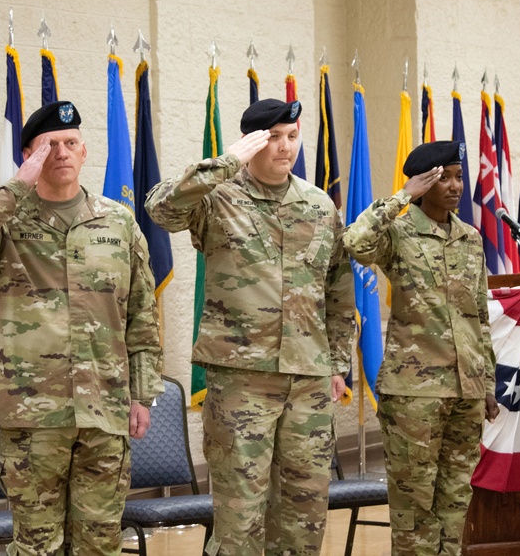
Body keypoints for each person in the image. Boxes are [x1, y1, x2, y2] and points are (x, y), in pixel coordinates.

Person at [0, 100, 164, 556]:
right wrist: (14, 188)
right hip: (31, 416)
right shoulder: (6, 221)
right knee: (37, 547)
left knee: (100, 544)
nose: (62, 152)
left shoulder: (118, 222)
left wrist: (142, 395)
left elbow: (142, 314)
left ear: (84, 151)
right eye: (48, 146)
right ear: (29, 156)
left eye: (70, 143)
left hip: (105, 410)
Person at [145, 98, 354, 556]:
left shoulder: (319, 206)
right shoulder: (217, 198)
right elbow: (160, 208)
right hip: (242, 383)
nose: (285, 147)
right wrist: (226, 163)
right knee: (239, 521)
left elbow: (338, 293)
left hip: (309, 382)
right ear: (249, 142)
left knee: (303, 517)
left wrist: (338, 363)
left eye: (292, 136)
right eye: (273, 137)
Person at [341, 140, 499, 556]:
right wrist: (401, 198)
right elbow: (355, 241)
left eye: (458, 176)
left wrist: (487, 383)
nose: (454, 186)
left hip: (465, 391)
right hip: (415, 393)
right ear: (421, 184)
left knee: (454, 504)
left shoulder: (469, 238)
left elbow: (479, 316)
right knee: (414, 512)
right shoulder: (399, 232)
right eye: (442, 177)